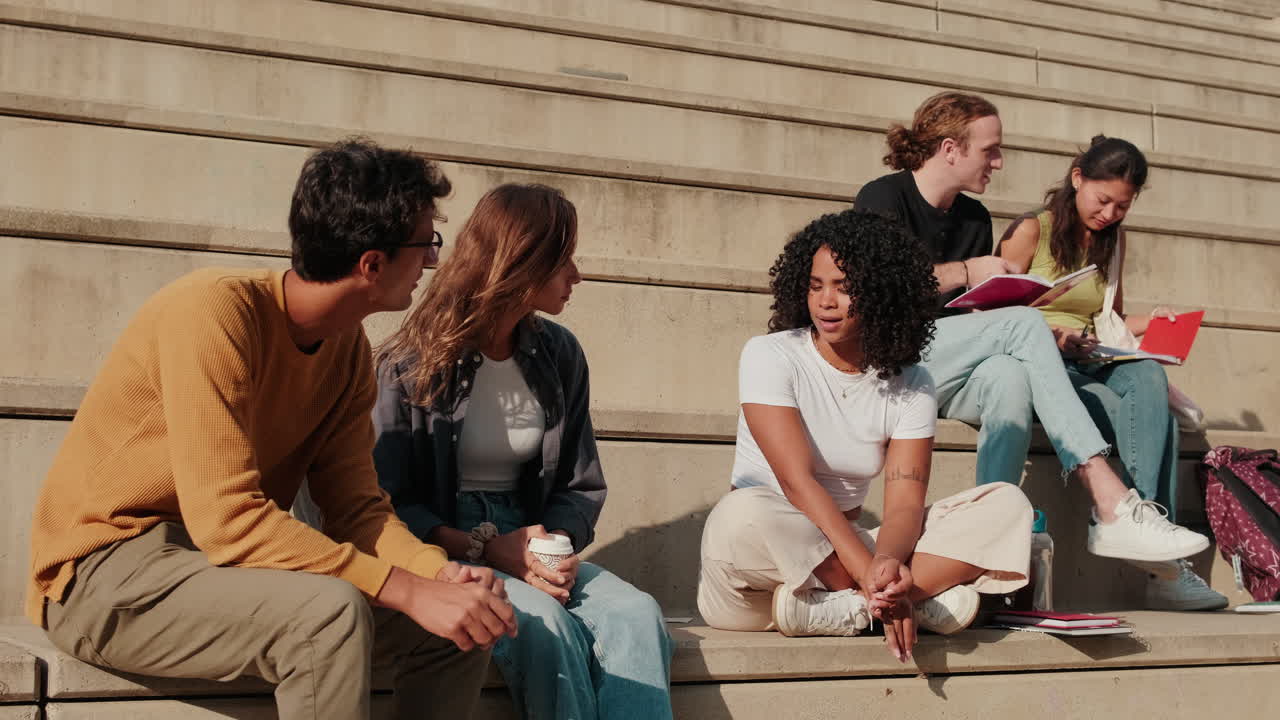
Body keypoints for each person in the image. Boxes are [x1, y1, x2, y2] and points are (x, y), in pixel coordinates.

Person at [25, 138, 516, 720]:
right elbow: (229, 519)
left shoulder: (348, 353)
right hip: (105, 575)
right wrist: (406, 589)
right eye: (426, 245)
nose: (433, 262)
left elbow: (359, 511)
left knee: (458, 626)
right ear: (372, 264)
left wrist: (439, 575)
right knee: (327, 611)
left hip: (224, 570)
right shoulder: (211, 313)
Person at [853, 92, 1209, 566]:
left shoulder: (975, 217)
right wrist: (965, 272)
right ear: (950, 148)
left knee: (1010, 376)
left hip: (942, 364)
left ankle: (985, 541)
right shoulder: (883, 196)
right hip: (889, 357)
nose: (998, 162)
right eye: (990, 150)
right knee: (1022, 325)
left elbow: (966, 318)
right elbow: (871, 291)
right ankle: (1109, 499)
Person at [373, 183, 674, 719]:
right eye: (564, 260)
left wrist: (554, 547)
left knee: (636, 615)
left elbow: (579, 486)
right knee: (546, 628)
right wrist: (484, 546)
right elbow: (387, 502)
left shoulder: (559, 354)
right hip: (444, 542)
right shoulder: (407, 364)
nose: (576, 276)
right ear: (521, 262)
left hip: (532, 536)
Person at [697, 209, 1035, 661]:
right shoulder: (770, 355)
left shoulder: (912, 382)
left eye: (844, 287)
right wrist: (868, 572)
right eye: (816, 285)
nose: (825, 302)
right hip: (763, 575)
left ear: (881, 293)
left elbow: (904, 504)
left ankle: (856, 609)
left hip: (848, 557)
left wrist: (888, 563)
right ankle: (906, 600)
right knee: (741, 512)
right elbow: (797, 484)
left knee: (1007, 505)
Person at [998, 136, 1227, 611]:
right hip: (1042, 359)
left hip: (1092, 352)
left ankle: (1150, 527)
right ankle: (1164, 569)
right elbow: (995, 315)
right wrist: (1054, 334)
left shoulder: (1112, 240)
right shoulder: (1031, 231)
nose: (1109, 214)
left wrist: (1157, 322)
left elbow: (1110, 318)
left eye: (1122, 207)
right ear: (1078, 178)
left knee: (1148, 377)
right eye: (1103, 201)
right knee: (1125, 410)